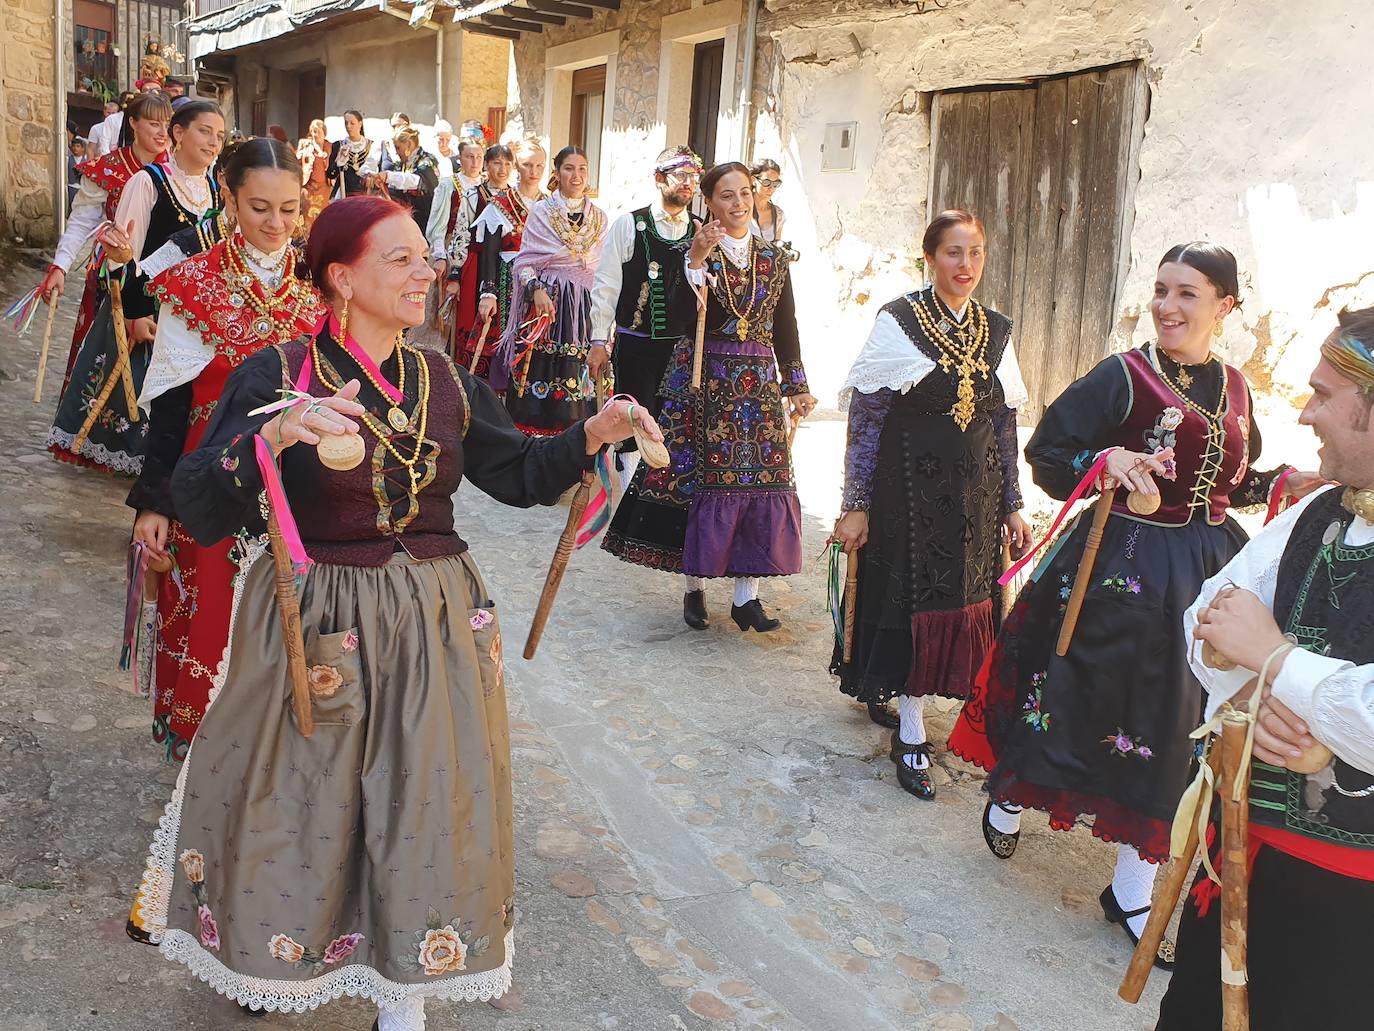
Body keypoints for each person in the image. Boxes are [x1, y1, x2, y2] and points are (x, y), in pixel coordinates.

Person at [129, 194, 662, 1029]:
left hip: (435, 621)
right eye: (402, 259)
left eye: (426, 256)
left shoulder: (444, 377)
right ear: (342, 277)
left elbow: (518, 472)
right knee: (297, 797)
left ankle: (404, 983)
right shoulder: (277, 374)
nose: (427, 271)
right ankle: (273, 951)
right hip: (316, 614)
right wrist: (271, 440)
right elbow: (199, 503)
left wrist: (594, 429)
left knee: (421, 799)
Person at [947, 242, 1320, 964]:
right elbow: (1049, 452)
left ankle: (1131, 884)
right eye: (1160, 291)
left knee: (1175, 717)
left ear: (1225, 307)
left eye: (1187, 294)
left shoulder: (1238, 390)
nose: (1168, 307)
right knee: (1069, 689)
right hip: (1114, 567)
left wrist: (1284, 483)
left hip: (1205, 573)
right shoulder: (1125, 375)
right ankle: (1013, 795)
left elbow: (1229, 483)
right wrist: (1104, 461)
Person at [1155, 306, 1374, 1030]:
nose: (1306, 414)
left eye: (1322, 394)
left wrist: (1279, 661)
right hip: (1247, 861)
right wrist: (1258, 684)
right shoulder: (1316, 515)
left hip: (1352, 911)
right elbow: (1206, 621)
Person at [125, 138, 324, 763]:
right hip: (211, 476)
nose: (275, 224)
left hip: (296, 485)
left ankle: (272, 747)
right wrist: (153, 501)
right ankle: (204, 750)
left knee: (285, 606)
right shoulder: (194, 285)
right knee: (211, 603)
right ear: (230, 201)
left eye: (289, 209)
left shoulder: (320, 295)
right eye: (259, 207)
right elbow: (172, 404)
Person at [832, 210, 1031, 796]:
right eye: (952, 253)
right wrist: (856, 504)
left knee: (967, 599)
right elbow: (866, 420)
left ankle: (924, 706)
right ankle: (912, 734)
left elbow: (1003, 420)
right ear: (930, 258)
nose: (965, 265)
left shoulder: (997, 329)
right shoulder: (897, 321)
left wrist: (1013, 502)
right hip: (909, 495)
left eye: (974, 253)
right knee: (914, 601)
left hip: (975, 494)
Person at [603, 161, 816, 632]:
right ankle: (694, 588)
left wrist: (796, 385)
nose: (738, 203)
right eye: (726, 195)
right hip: (703, 379)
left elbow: (787, 326)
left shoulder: (774, 258)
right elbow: (678, 319)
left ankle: (747, 597)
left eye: (745, 193)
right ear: (709, 202)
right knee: (699, 482)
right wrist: (695, 261)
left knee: (758, 484)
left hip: (757, 387)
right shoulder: (696, 251)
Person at [47, 100, 224, 474]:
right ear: (179, 133)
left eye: (220, 136)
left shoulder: (213, 189)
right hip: (146, 312)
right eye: (205, 131)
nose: (213, 143)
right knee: (135, 407)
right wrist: (135, 314)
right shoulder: (147, 182)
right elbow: (122, 254)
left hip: (190, 317)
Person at [37, 93, 173, 453]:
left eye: (166, 124)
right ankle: (92, 437)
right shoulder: (108, 169)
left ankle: (144, 445)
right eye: (153, 123)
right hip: (112, 279)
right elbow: (81, 222)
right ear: (133, 123)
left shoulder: (175, 171)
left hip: (157, 283)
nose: (162, 132)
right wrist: (60, 266)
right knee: (106, 358)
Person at [588, 145, 702, 490]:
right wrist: (597, 340)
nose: (687, 184)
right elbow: (606, 286)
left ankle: (666, 498)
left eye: (693, 177)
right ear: (659, 179)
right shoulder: (629, 225)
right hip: (636, 345)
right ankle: (629, 499)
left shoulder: (700, 231)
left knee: (675, 424)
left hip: (683, 350)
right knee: (632, 421)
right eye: (680, 176)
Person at [493, 145, 609, 434]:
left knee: (581, 389)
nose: (577, 175)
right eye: (569, 168)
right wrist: (536, 290)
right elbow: (524, 262)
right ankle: (535, 451)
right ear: (557, 173)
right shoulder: (542, 212)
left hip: (585, 309)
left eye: (582, 168)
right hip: (549, 308)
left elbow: (603, 270)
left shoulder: (599, 218)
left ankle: (578, 451)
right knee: (539, 384)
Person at [430, 144, 528, 379]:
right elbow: (461, 235)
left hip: (507, 273)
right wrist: (455, 275)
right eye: (496, 163)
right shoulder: (474, 195)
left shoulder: (518, 199)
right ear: (487, 165)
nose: (502, 169)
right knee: (472, 327)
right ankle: (467, 380)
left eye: (507, 164)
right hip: (475, 268)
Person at [372, 126, 438, 231]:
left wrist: (389, 176)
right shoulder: (401, 164)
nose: (397, 152)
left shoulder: (427, 161)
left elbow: (415, 180)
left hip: (425, 219)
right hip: (406, 218)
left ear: (409, 144)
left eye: (398, 147)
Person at [326, 109, 377, 199]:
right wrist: (338, 160)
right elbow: (331, 174)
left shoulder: (371, 146)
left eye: (352, 123)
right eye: (346, 123)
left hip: (364, 194)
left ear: (360, 124)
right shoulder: (339, 145)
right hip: (344, 193)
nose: (348, 126)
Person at [297, 118, 331, 233]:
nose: (315, 134)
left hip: (325, 188)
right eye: (313, 131)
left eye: (318, 131)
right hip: (309, 186)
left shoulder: (330, 146)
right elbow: (296, 162)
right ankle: (307, 241)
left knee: (323, 216)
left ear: (324, 132)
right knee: (308, 215)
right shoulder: (305, 145)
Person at [750, 159, 786, 244]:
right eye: (766, 182)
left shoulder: (778, 214)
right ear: (753, 180)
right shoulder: (742, 208)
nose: (771, 188)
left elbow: (776, 248)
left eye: (775, 184)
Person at [513, 138, 548, 206]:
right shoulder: (499, 205)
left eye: (539, 165)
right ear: (516, 166)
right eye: (527, 165)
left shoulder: (552, 207)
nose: (534, 172)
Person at [66, 137, 86, 214]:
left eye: (78, 146)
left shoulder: (86, 162)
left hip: (82, 189)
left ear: (83, 148)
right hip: (70, 188)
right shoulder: (68, 160)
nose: (75, 148)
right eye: (74, 146)